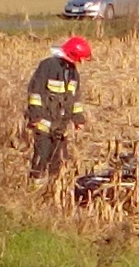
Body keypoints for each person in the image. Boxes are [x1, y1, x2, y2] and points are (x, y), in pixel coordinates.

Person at [26, 36, 91, 183]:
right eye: (80, 58)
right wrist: (35, 117)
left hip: (60, 125)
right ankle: (34, 189)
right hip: (43, 122)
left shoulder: (73, 73)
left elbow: (74, 99)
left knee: (57, 160)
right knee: (41, 158)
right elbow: (35, 92)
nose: (81, 62)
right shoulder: (48, 66)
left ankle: (52, 189)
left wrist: (78, 119)